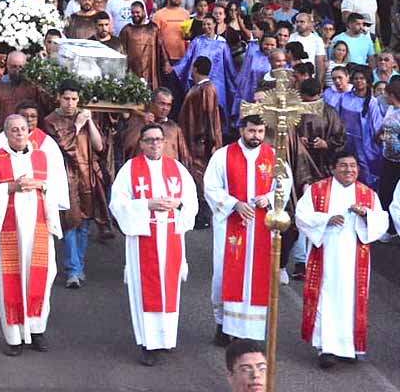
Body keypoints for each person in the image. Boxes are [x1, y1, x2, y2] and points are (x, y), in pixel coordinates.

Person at [0, 114, 69, 355]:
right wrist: (12, 187)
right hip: (8, 230)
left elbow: (56, 187)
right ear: (5, 134)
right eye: (14, 130)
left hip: (38, 228)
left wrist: (41, 185)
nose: (19, 133)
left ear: (30, 132)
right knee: (9, 281)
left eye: (23, 129)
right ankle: (14, 337)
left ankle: (37, 331)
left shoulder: (42, 157)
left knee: (42, 279)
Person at [109, 124, 198, 366]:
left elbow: (191, 202)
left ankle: (166, 339)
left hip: (170, 234)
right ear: (141, 143)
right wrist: (147, 204)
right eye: (149, 140)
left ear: (165, 142)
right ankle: (148, 343)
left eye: (159, 140)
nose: (155, 144)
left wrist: (176, 205)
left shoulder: (177, 169)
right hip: (143, 236)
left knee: (169, 291)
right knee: (145, 291)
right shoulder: (130, 170)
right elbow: (117, 203)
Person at [204, 115, 290, 345]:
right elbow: (210, 187)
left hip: (262, 226)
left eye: (260, 131)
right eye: (252, 131)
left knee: (257, 275)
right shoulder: (223, 155)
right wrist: (234, 204)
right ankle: (223, 324)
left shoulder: (273, 157)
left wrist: (269, 197)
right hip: (231, 224)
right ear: (242, 130)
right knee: (224, 275)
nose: (256, 136)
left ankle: (251, 331)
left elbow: (285, 185)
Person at [298, 153, 388, 368]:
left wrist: (366, 215)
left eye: (353, 166)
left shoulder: (367, 194)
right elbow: (301, 216)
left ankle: (348, 348)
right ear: (332, 168)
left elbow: (382, 221)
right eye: (344, 166)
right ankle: (325, 349)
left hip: (354, 258)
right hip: (326, 255)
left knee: (351, 300)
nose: (349, 170)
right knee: (325, 298)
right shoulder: (317, 190)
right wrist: (326, 219)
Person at [42, 80, 107, 288]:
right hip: (65, 175)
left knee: (85, 222)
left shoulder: (84, 118)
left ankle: (78, 265)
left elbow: (99, 146)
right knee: (70, 221)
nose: (70, 103)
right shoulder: (51, 121)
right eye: (66, 98)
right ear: (59, 98)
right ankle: (72, 269)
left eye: (74, 99)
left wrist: (89, 123)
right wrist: (77, 125)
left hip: (86, 173)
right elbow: (64, 145)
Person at [178, 57, 224, 228]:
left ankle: (203, 216)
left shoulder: (207, 89)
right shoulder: (199, 88)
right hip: (191, 138)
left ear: (195, 68)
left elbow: (210, 116)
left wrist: (210, 141)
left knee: (200, 177)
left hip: (199, 142)